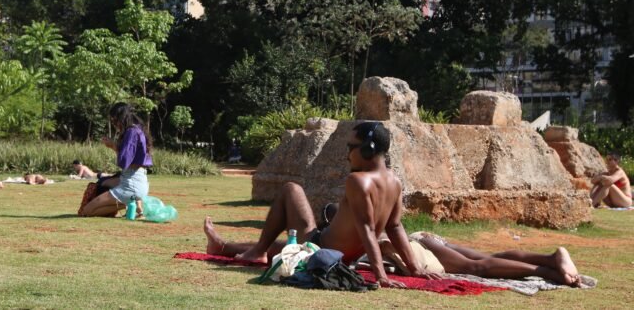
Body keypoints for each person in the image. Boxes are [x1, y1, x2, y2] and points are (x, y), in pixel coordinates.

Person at [203, 122, 441, 288]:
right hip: (343, 256)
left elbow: (367, 229)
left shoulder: (358, 180)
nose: (347, 155)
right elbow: (395, 227)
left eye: (350, 147)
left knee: (291, 189)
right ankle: (224, 247)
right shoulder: (395, 182)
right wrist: (415, 268)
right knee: (283, 247)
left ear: (367, 149)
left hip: (321, 246)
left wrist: (380, 275)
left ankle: (255, 251)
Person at [409, 232, 582, 286]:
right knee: (490, 259)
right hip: (421, 238)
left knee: (472, 267)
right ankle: (551, 260)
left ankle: (547, 272)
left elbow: (395, 228)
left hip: (416, 245)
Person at [79, 102, 152, 217]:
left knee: (86, 211)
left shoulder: (131, 132)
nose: (114, 124)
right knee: (104, 182)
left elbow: (124, 162)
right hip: (138, 179)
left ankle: (131, 203)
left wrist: (113, 146)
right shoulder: (137, 129)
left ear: (121, 118)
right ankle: (134, 205)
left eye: (114, 120)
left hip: (131, 184)